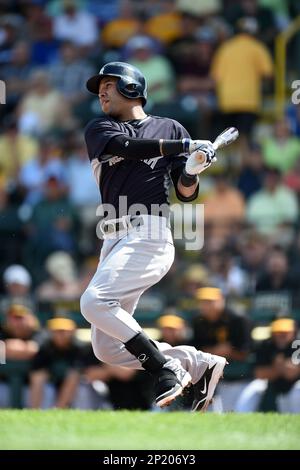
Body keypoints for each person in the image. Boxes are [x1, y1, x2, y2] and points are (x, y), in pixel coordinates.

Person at [81, 61, 227, 411]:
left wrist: (192, 170)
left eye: (109, 83)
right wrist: (186, 146)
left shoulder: (170, 128)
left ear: (132, 87)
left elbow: (186, 193)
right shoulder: (100, 127)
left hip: (149, 232)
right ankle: (197, 363)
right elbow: (130, 147)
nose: (101, 90)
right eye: (100, 85)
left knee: (93, 302)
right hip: (114, 239)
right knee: (107, 349)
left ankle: (165, 368)